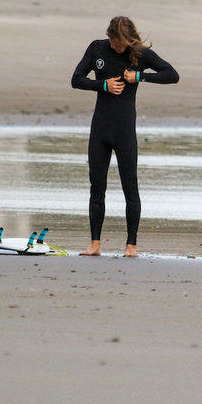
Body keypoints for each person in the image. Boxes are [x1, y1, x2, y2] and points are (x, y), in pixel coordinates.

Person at [70, 16, 179, 257]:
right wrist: (103, 86)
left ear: (128, 41)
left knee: (130, 187)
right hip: (100, 128)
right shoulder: (97, 47)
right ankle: (95, 244)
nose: (114, 46)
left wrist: (140, 77)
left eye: (118, 42)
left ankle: (131, 246)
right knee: (96, 187)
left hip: (124, 130)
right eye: (112, 40)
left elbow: (172, 74)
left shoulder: (139, 55)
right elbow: (76, 80)